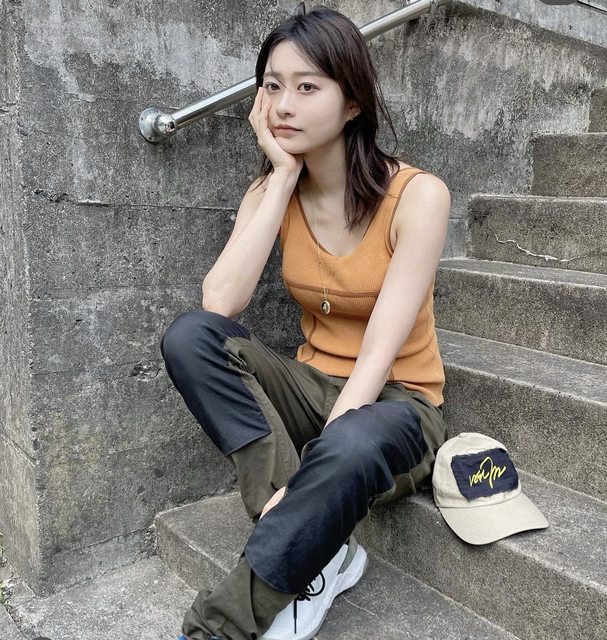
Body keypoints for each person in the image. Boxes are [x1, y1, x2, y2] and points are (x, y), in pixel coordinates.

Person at [160, 6, 450, 640]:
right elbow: (218, 304)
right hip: (309, 389)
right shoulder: (271, 189)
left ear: (352, 102)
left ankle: (218, 627)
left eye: (307, 86)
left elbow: (378, 355)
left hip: (395, 409)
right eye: (272, 86)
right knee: (190, 337)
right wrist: (283, 176)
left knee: (350, 443)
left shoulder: (417, 196)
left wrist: (313, 469)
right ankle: (316, 547)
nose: (283, 105)